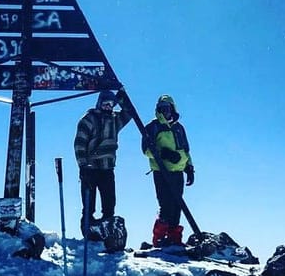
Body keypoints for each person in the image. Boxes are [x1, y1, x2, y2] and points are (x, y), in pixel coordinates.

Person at [74, 90, 131, 237]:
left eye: (111, 104)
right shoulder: (88, 120)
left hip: (107, 168)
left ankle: (108, 231)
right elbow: (79, 144)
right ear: (99, 103)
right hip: (90, 169)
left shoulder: (114, 120)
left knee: (109, 203)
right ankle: (88, 232)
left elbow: (129, 112)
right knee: (89, 205)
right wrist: (83, 166)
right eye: (106, 104)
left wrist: (122, 99)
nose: (108, 107)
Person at [142, 94, 195, 247]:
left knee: (177, 205)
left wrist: (189, 168)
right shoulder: (153, 127)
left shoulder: (179, 128)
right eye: (161, 109)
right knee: (166, 205)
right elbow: (146, 150)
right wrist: (163, 153)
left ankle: (174, 238)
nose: (165, 111)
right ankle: (158, 237)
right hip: (161, 171)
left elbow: (185, 150)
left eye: (167, 108)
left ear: (172, 109)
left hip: (178, 171)